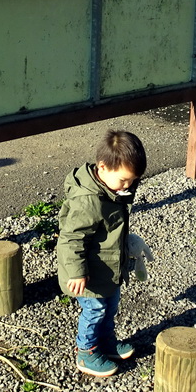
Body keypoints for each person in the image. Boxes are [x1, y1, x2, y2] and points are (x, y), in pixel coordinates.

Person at [57, 129, 147, 378]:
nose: (128, 186)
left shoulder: (112, 189)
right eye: (124, 180)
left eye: (133, 180)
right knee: (95, 309)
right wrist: (76, 273)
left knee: (110, 305)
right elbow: (71, 239)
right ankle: (86, 351)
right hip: (88, 272)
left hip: (108, 266)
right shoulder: (88, 201)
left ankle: (106, 343)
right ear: (103, 167)